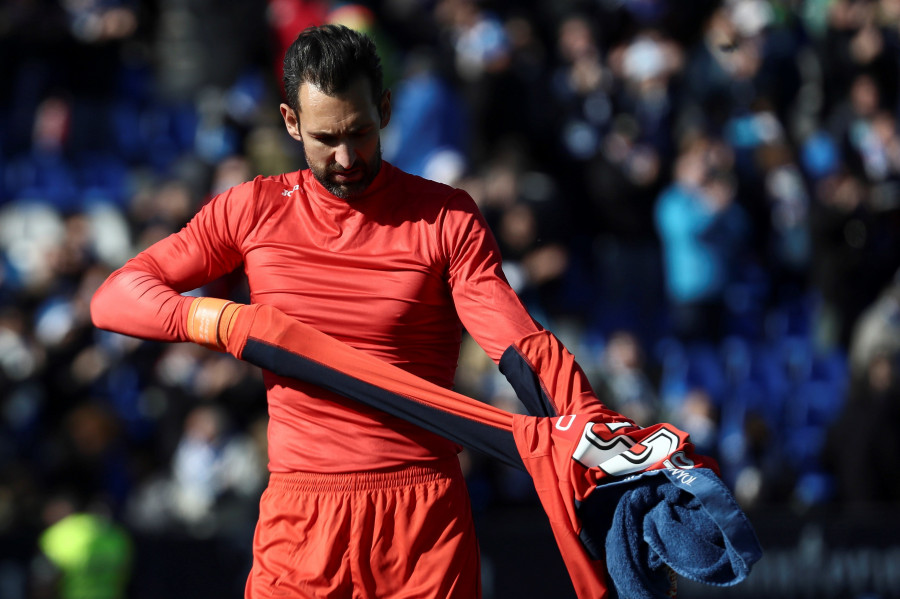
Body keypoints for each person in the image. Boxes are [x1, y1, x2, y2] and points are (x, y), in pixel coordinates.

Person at [90, 24, 616, 598]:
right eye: (325, 138)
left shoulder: (445, 217)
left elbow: (520, 345)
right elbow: (115, 297)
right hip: (301, 519)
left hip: (421, 522)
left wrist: (595, 428)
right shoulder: (252, 209)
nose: (346, 158)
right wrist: (225, 321)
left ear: (385, 109)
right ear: (291, 122)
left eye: (360, 132)